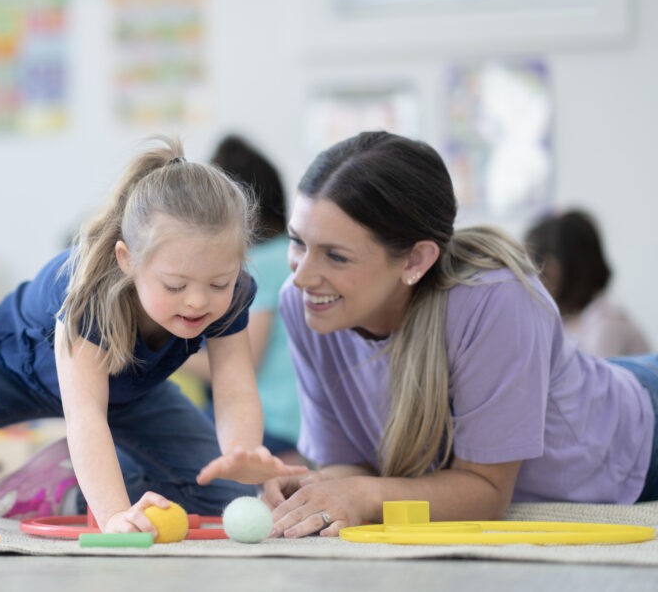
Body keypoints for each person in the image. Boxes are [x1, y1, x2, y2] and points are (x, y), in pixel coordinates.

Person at [0, 137, 304, 532]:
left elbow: (235, 390)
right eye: (175, 286)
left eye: (219, 284)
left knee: (223, 494)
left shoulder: (234, 292)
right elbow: (86, 414)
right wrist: (113, 515)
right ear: (127, 260)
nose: (197, 302)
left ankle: (65, 480)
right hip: (14, 366)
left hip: (130, 389)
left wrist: (243, 453)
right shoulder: (91, 288)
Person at [234, 131, 658, 539]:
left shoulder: (496, 298)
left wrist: (363, 495)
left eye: (336, 255)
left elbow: (486, 492)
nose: (303, 275)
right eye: (298, 242)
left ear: (415, 260)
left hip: (635, 432)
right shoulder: (304, 304)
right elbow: (353, 467)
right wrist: (319, 487)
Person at [180, 134, 303, 464]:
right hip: (294, 422)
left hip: (270, 425)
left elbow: (243, 362)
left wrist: (155, 362)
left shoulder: (258, 265)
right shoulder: (289, 254)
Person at [524, 209, 650, 358]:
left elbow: (594, 380)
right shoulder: (569, 321)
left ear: (553, 270)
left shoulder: (606, 325)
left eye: (532, 270)